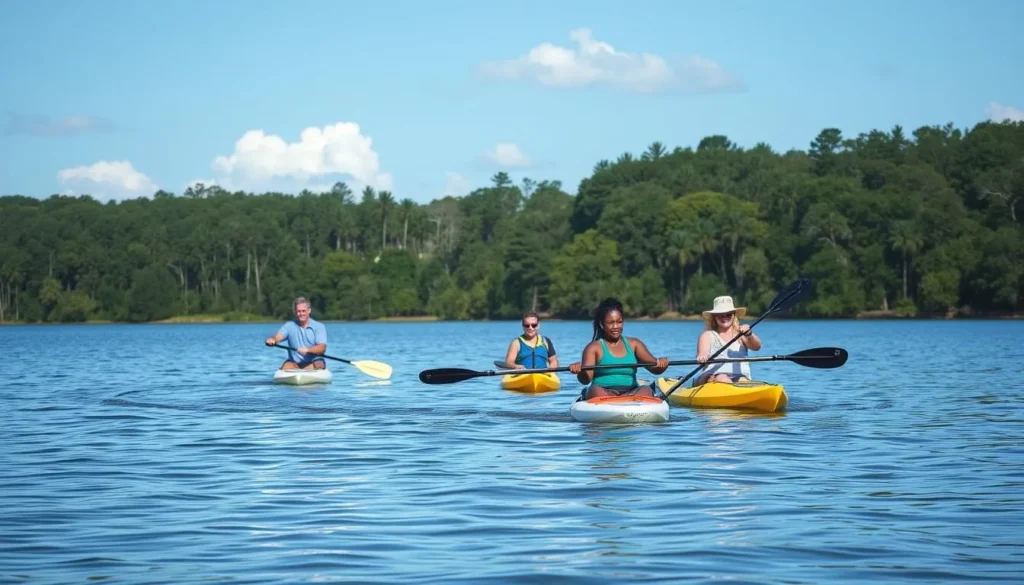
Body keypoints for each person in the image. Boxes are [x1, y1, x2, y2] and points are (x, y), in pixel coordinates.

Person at [568, 297, 670, 399]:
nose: (616, 326)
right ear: (601, 324)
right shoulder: (593, 348)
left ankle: (632, 402)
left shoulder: (634, 344)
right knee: (595, 391)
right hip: (603, 393)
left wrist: (662, 363)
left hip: (631, 392)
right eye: (610, 323)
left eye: (619, 322)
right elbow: (586, 380)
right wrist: (580, 371)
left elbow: (656, 369)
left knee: (646, 390)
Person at [694, 295, 762, 385]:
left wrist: (749, 334)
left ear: (734, 315)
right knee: (722, 378)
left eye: (728, 314)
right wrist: (702, 356)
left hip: (740, 378)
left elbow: (757, 347)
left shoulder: (741, 333)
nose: (725, 317)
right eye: (720, 315)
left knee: (743, 380)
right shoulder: (707, 335)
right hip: (712, 378)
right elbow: (703, 352)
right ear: (715, 317)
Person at [264, 296, 328, 370]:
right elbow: (278, 337)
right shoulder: (289, 325)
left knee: (319, 364)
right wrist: (272, 339)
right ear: (295, 312)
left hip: (314, 361)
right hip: (294, 362)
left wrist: (308, 350)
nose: (301, 314)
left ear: (309, 311)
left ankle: (305, 371)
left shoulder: (319, 327)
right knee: (286, 367)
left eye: (303, 311)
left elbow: (321, 348)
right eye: (298, 311)